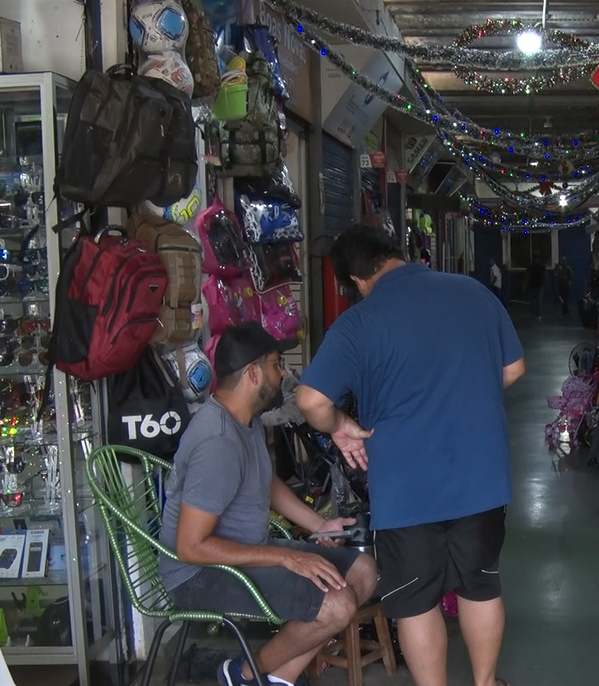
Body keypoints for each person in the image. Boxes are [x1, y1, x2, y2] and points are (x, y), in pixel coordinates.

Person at [297, 225, 525, 686]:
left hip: (405, 489)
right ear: (394, 254)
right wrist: (465, 397)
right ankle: (484, 683)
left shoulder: (359, 322)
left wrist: (342, 426)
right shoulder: (472, 292)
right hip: (479, 476)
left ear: (356, 281)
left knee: (416, 601)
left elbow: (310, 402)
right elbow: (514, 367)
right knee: (480, 586)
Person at [157, 322, 377, 686]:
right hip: (198, 576)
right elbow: (191, 547)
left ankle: (274, 679)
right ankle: (246, 675)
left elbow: (265, 483)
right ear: (252, 373)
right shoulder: (218, 442)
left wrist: (318, 525)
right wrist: (288, 556)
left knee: (362, 572)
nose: (284, 373)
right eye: (277, 364)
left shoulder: (246, 421)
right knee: (337, 604)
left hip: (247, 551)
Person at [526, 256, 546, 320]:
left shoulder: (531, 266)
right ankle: (537, 315)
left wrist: (525, 284)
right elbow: (545, 275)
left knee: (533, 301)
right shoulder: (541, 266)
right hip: (538, 285)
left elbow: (527, 275)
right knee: (537, 301)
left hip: (534, 285)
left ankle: (534, 315)